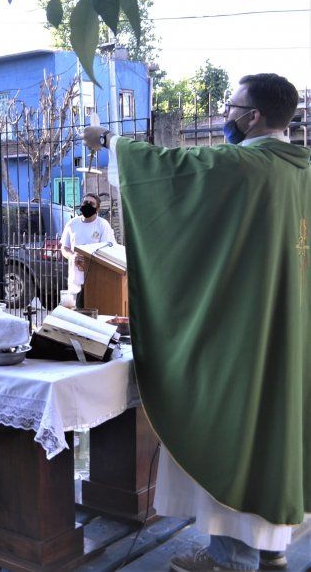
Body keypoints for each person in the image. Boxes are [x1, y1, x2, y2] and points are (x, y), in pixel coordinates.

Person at [84, 73, 308, 572]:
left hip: (243, 336)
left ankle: (232, 558)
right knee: (280, 433)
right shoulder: (302, 169)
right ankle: (272, 548)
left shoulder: (246, 166)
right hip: (292, 333)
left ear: (252, 117)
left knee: (236, 431)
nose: (225, 115)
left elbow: (171, 172)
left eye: (232, 106)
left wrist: (109, 142)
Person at [58, 192, 116, 301]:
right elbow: (64, 247)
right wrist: (72, 256)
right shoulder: (72, 223)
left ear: (97, 209)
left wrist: (89, 261)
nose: (87, 205)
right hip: (75, 279)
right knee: (77, 312)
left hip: (96, 278)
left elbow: (108, 250)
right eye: (85, 202)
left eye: (91, 203)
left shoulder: (103, 225)